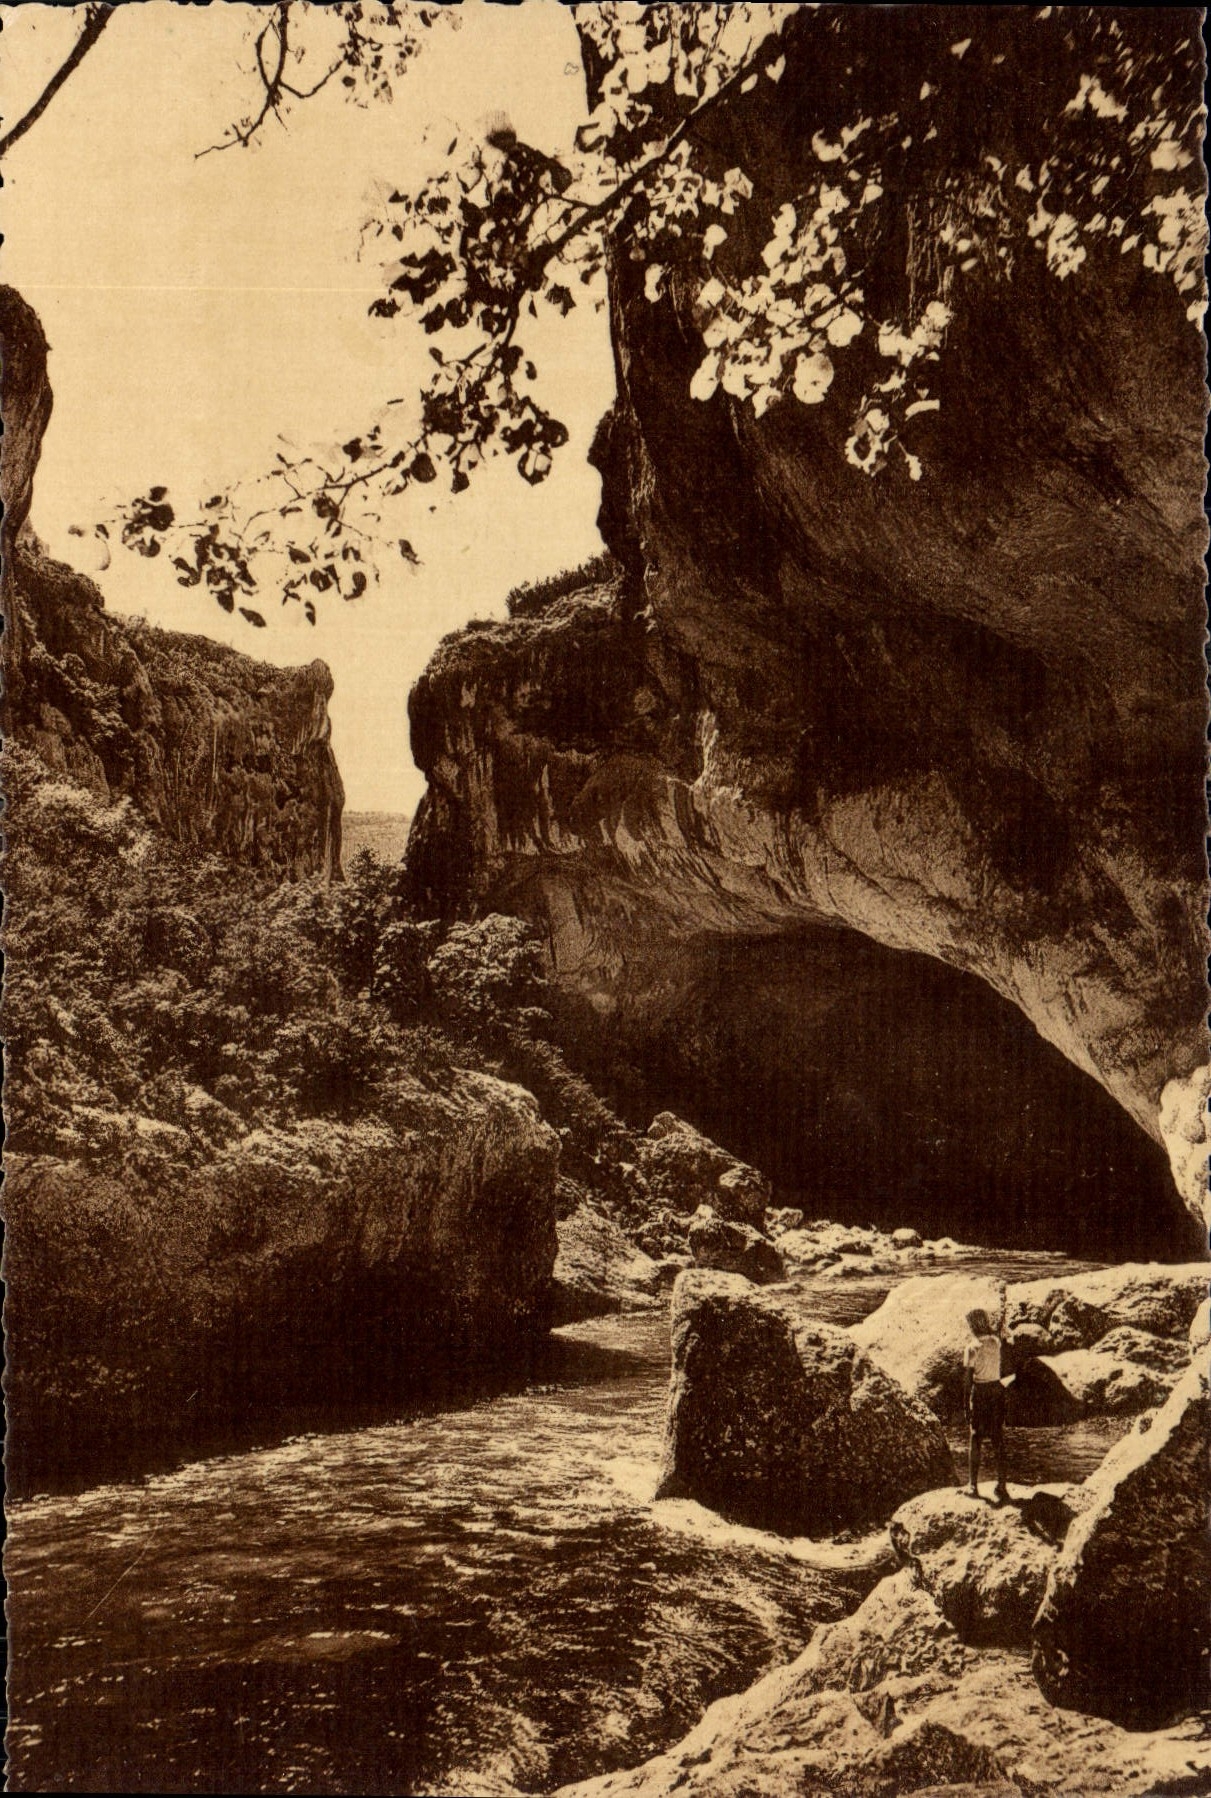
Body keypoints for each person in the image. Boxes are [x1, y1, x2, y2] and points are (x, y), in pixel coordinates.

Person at [962, 1293, 1011, 1502]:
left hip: (981, 1391)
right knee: (997, 1436)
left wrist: (966, 1405)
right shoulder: (995, 1343)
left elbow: (968, 1380)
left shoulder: (971, 1348)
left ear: (972, 1325)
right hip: (997, 1390)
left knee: (975, 1436)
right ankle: (1002, 1485)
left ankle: (973, 1485)